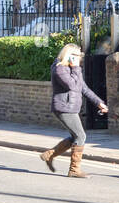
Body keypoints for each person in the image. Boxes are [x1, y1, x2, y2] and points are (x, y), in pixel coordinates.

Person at [41, 43, 107, 178]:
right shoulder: (59, 69)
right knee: (81, 136)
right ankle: (74, 170)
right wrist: (76, 67)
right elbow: (71, 85)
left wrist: (99, 103)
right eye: (77, 56)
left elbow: (84, 88)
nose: (79, 59)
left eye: (79, 56)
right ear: (69, 55)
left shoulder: (72, 69)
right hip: (64, 107)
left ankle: (49, 155)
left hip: (71, 107)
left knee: (75, 137)